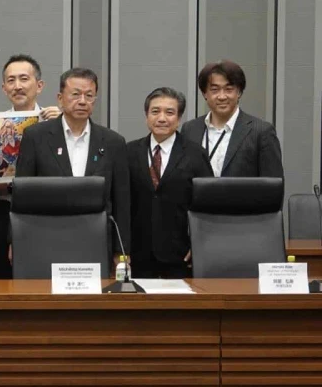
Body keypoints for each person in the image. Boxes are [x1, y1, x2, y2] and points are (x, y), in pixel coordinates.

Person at [16, 67, 131, 258]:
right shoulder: (36, 137)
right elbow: (22, 194)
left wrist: (122, 250)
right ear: (60, 98)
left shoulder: (113, 142)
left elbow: (122, 202)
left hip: (96, 241)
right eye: (75, 95)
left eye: (89, 95)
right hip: (45, 237)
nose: (82, 101)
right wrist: (16, 239)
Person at [0, 54, 61, 279]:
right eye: (11, 80)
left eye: (24, 79)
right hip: (4, 210)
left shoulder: (57, 123)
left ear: (39, 85)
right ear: (4, 87)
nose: (17, 86)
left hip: (47, 212)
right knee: (1, 281)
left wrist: (63, 125)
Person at [128, 88, 213, 278]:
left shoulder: (195, 154)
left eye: (170, 112)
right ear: (146, 116)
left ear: (179, 118)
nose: (162, 118)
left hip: (181, 254)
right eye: (155, 111)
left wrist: (199, 245)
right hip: (138, 254)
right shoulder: (129, 152)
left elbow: (207, 205)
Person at [180, 60, 283, 178]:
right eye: (214, 90)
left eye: (229, 89)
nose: (222, 96)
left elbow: (273, 185)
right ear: (204, 93)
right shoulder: (190, 129)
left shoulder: (261, 131)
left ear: (239, 92)